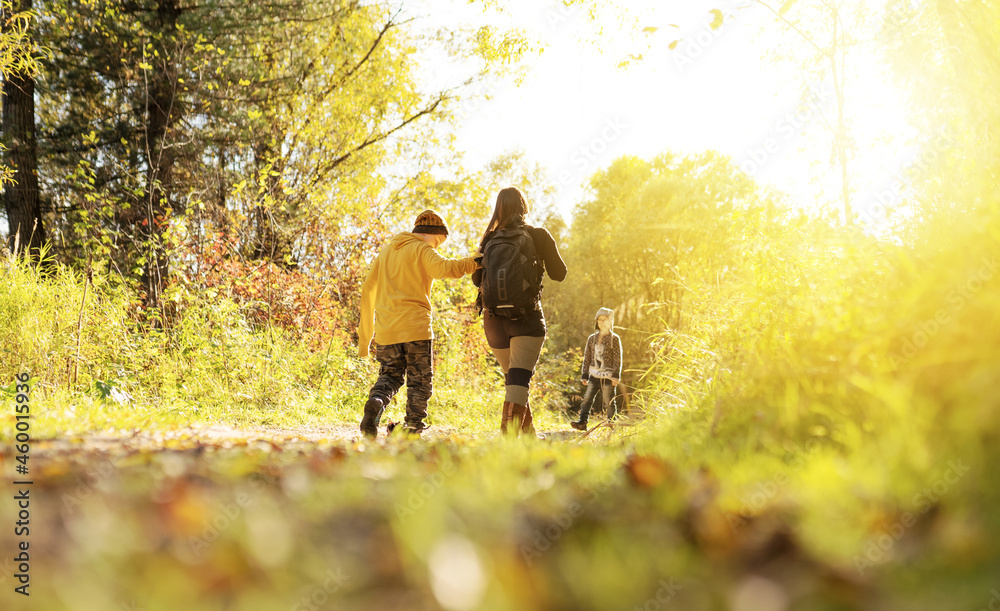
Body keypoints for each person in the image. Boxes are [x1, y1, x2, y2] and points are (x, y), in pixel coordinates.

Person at [357, 210, 479, 439]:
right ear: (427, 234)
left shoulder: (385, 253)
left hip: (386, 330)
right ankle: (413, 426)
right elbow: (444, 268)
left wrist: (366, 338)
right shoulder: (422, 249)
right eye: (437, 241)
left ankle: (377, 401)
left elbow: (367, 290)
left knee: (390, 376)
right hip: (415, 327)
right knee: (419, 381)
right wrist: (475, 262)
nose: (437, 247)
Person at [472, 187, 567, 437]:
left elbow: (475, 279)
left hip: (494, 324)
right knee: (518, 381)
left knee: (515, 380)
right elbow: (560, 274)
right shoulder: (538, 235)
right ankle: (509, 439)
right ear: (523, 207)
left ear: (498, 209)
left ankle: (529, 437)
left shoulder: (488, 239)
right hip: (527, 320)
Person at [570, 307, 623, 431]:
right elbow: (587, 357)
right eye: (599, 320)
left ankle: (612, 424)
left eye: (605, 320)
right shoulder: (592, 339)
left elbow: (617, 358)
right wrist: (584, 374)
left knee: (608, 402)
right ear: (596, 322)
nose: (602, 322)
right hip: (594, 375)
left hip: (608, 377)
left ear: (611, 322)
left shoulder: (614, 339)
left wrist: (616, 375)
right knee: (587, 399)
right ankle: (582, 422)